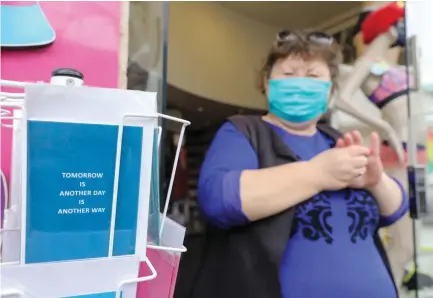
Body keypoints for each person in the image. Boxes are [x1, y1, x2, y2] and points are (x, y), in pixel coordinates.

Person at [192, 30, 408, 298]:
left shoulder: (335, 139)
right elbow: (219, 200)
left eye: (313, 76)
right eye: (289, 73)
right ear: (267, 83)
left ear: (330, 92)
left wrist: (377, 182)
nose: (300, 83)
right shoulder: (244, 132)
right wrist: (317, 174)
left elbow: (395, 211)